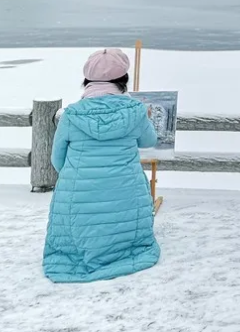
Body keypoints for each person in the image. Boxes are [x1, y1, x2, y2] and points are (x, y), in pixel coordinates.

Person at [43, 49, 160, 282]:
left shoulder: (71, 115)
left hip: (79, 197)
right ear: (123, 80)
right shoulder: (135, 112)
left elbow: (58, 160)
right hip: (125, 190)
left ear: (87, 80)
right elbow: (149, 141)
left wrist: (79, 179)